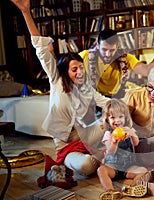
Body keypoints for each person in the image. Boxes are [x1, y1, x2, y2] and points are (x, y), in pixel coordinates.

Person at [10, 0, 110, 176]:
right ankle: (99, 157)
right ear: (65, 71)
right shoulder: (57, 79)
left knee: (111, 120)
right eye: (74, 69)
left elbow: (106, 101)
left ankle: (108, 152)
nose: (80, 72)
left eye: (81, 68)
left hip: (85, 135)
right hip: (65, 144)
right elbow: (40, 49)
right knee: (86, 166)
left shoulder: (86, 88)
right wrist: (26, 12)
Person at [79, 29, 154, 98]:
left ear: (117, 47)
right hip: (92, 96)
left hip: (115, 96)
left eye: (111, 50)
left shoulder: (124, 57)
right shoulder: (85, 55)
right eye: (104, 49)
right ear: (98, 46)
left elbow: (147, 70)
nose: (107, 54)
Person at [97, 99, 148, 199]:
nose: (117, 120)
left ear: (125, 118)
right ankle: (110, 191)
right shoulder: (108, 134)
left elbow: (136, 143)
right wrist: (114, 142)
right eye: (113, 117)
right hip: (112, 167)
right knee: (101, 170)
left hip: (128, 167)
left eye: (120, 116)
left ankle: (132, 188)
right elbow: (111, 151)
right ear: (107, 120)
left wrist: (132, 134)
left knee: (143, 170)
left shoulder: (129, 130)